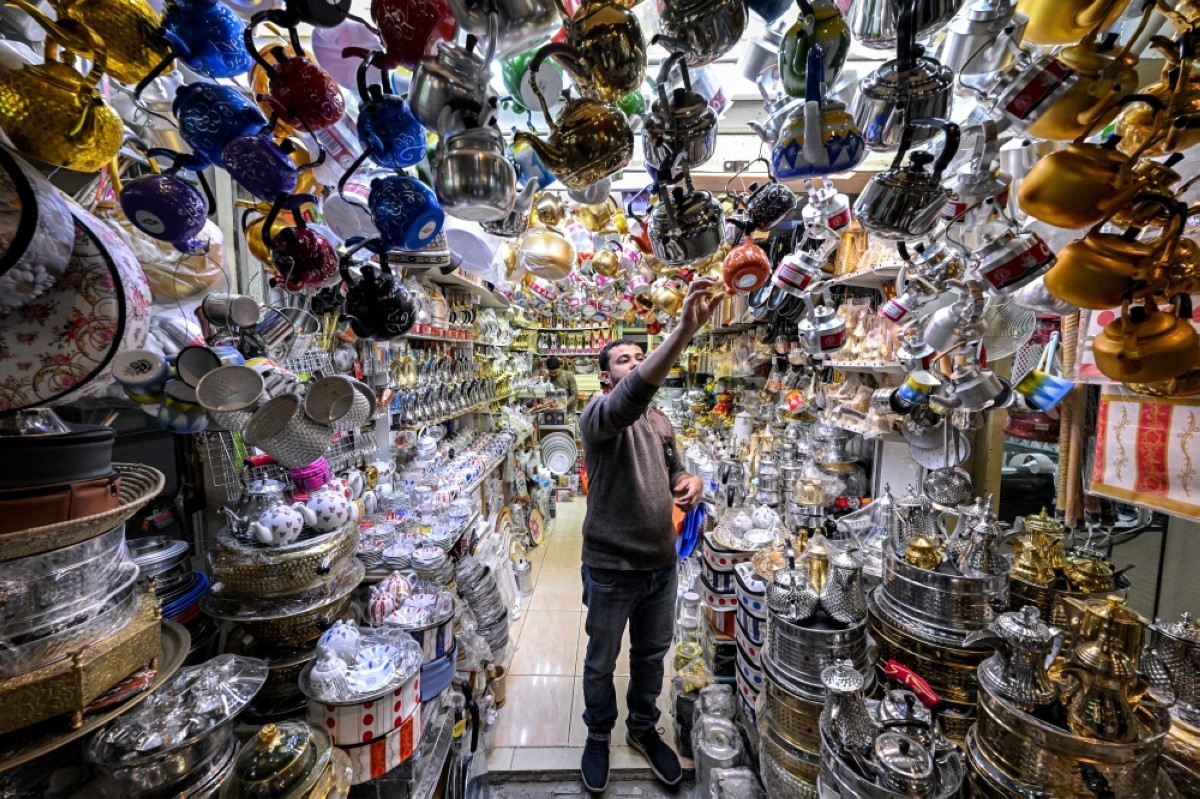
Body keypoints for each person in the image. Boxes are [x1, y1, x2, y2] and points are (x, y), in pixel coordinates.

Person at [576, 277, 725, 792]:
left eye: (640, 356)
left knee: (650, 657)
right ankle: (599, 734)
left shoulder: (660, 420)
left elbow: (675, 471)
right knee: (601, 661)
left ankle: (642, 728)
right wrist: (682, 332)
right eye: (625, 360)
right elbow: (632, 395)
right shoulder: (599, 416)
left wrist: (692, 482)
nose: (637, 364)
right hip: (611, 567)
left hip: (660, 565)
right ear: (605, 377)